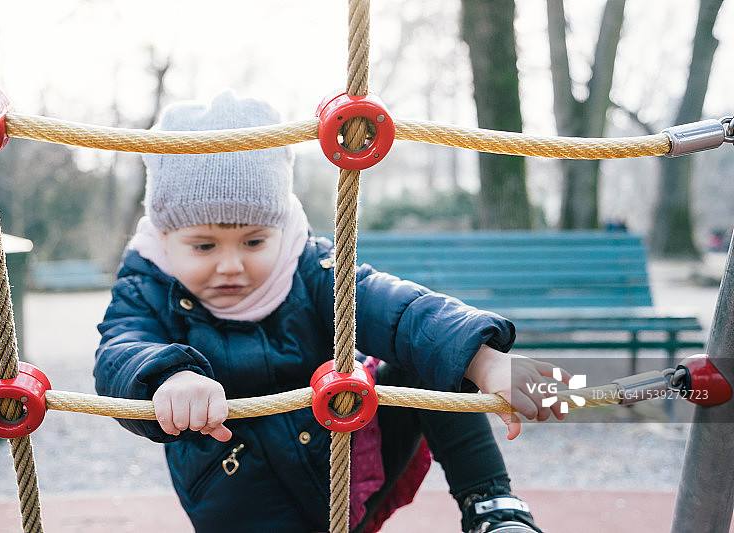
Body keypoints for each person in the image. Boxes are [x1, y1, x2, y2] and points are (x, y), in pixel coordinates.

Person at [94, 92, 568, 533]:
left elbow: (400, 312)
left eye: (255, 241)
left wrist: (484, 360)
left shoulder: (312, 268)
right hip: (245, 503)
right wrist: (166, 378)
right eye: (203, 246)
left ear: (281, 228)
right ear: (164, 238)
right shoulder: (147, 286)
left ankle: (492, 505)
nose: (232, 265)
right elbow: (120, 350)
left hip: (347, 468)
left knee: (429, 355)